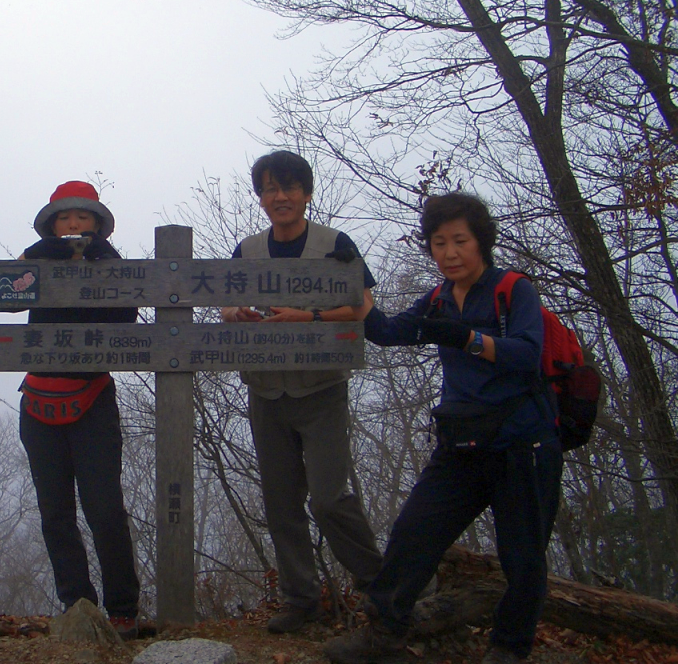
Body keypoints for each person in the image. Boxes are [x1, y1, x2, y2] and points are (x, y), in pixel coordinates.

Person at [322, 192, 563, 664]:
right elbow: (387, 331)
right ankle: (384, 635)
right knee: (414, 533)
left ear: (481, 243)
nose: (449, 253)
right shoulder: (437, 298)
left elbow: (526, 354)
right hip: (463, 445)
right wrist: (355, 279)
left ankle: (509, 651)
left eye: (460, 241)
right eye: (438, 242)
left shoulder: (512, 290)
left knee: (523, 557)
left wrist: (466, 338)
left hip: (523, 445)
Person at [221, 150, 384, 634]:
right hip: (267, 392)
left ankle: (380, 587)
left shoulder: (334, 244)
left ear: (307, 193)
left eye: (290, 187)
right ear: (261, 197)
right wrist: (238, 315)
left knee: (330, 499)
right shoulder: (247, 250)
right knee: (281, 503)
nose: (280, 197)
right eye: (270, 189)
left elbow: (363, 307)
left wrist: (308, 317)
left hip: (322, 390)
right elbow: (227, 307)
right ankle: (300, 599)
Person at [16, 180, 140, 639]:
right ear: (51, 225)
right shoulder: (37, 263)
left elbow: (127, 319)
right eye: (64, 218)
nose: (73, 225)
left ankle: (123, 609)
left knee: (105, 509)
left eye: (82, 217)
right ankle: (77, 605)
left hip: (93, 400)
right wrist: (39, 253)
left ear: (97, 225)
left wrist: (106, 269)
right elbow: (5, 299)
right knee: (55, 514)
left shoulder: (111, 265)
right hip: (37, 401)